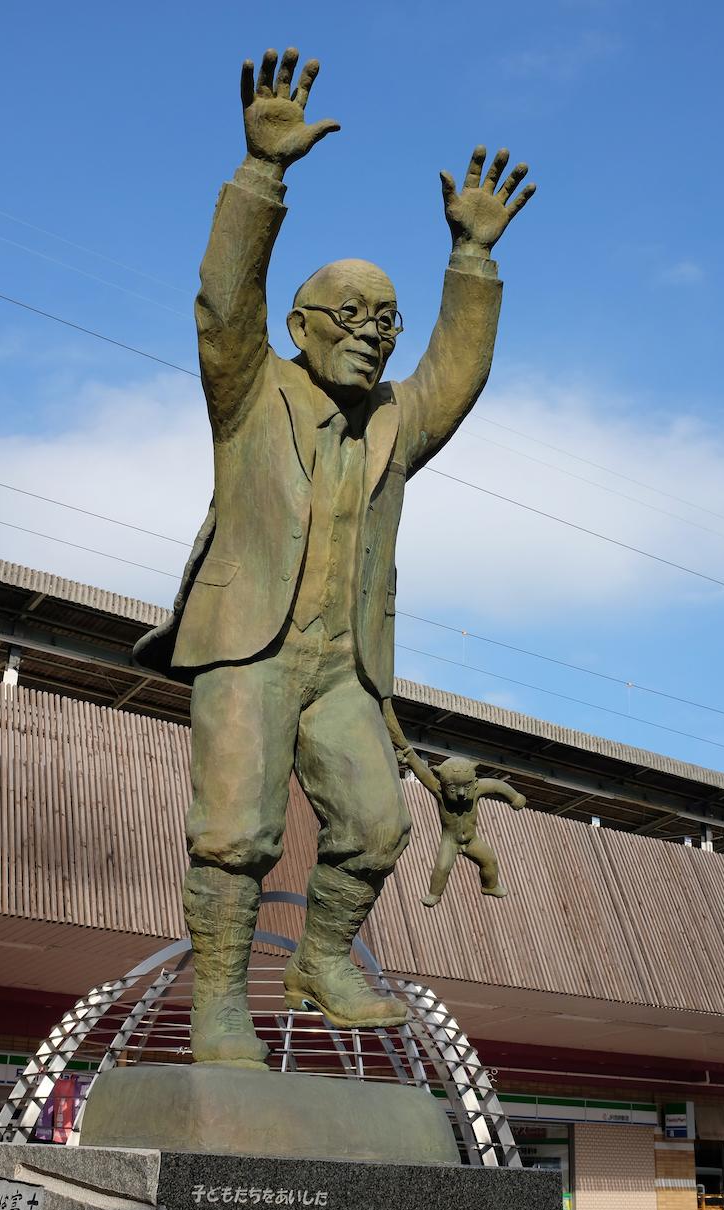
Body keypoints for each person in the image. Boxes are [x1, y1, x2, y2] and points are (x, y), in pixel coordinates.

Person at [134, 47, 536, 1067]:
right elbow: (224, 300)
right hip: (248, 644)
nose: (370, 334)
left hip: (343, 664)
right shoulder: (248, 390)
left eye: (385, 322)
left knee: (372, 822)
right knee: (236, 830)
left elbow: (455, 370)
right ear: (300, 327)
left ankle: (320, 956)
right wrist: (260, 176)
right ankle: (220, 1000)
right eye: (348, 316)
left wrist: (471, 260)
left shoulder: (396, 425)